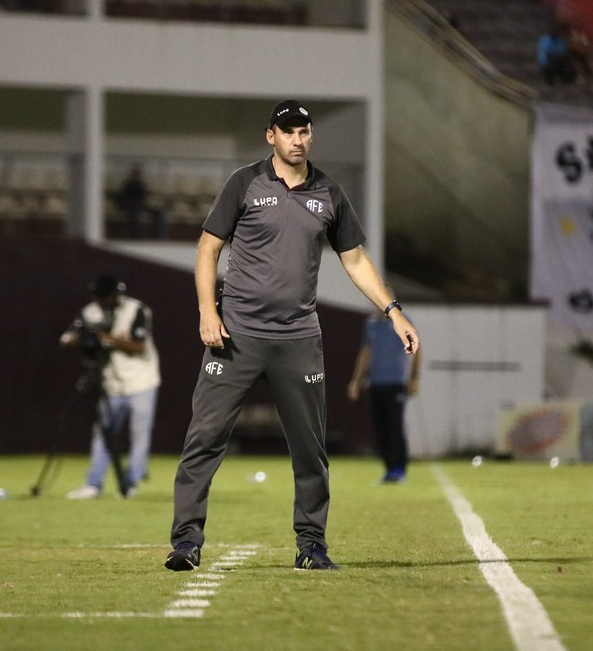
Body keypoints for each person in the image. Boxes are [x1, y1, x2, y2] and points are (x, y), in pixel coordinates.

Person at [164, 99, 420, 572]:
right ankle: (185, 543)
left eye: (304, 132)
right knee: (204, 439)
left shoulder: (329, 193)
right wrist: (206, 311)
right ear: (271, 137)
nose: (297, 139)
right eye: (288, 132)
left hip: (298, 338)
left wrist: (393, 311)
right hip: (234, 336)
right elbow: (207, 248)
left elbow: (356, 259)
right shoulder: (243, 183)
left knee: (310, 448)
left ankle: (311, 545)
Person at [60, 274, 161, 499]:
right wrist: (80, 340)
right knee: (103, 433)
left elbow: (139, 346)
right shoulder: (90, 312)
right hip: (112, 383)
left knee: (139, 435)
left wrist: (107, 339)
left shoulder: (136, 310)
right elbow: (66, 338)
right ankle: (93, 484)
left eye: (105, 296)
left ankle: (130, 484)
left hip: (141, 380)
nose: (102, 301)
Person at [347, 304, 422, 484]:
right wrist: (356, 380)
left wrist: (414, 377)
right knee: (381, 429)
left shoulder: (401, 321)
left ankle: (399, 469)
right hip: (375, 384)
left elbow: (416, 349)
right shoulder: (371, 324)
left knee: (395, 427)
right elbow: (366, 353)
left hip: (396, 383)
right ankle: (389, 469)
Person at [117, 164, 167, 239]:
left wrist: (145, 200)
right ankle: (135, 236)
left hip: (141, 205)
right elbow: (122, 198)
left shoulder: (142, 184)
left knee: (158, 212)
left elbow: (144, 196)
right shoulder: (127, 184)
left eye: (138, 173)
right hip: (131, 206)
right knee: (133, 213)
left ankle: (158, 236)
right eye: (135, 172)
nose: (137, 174)